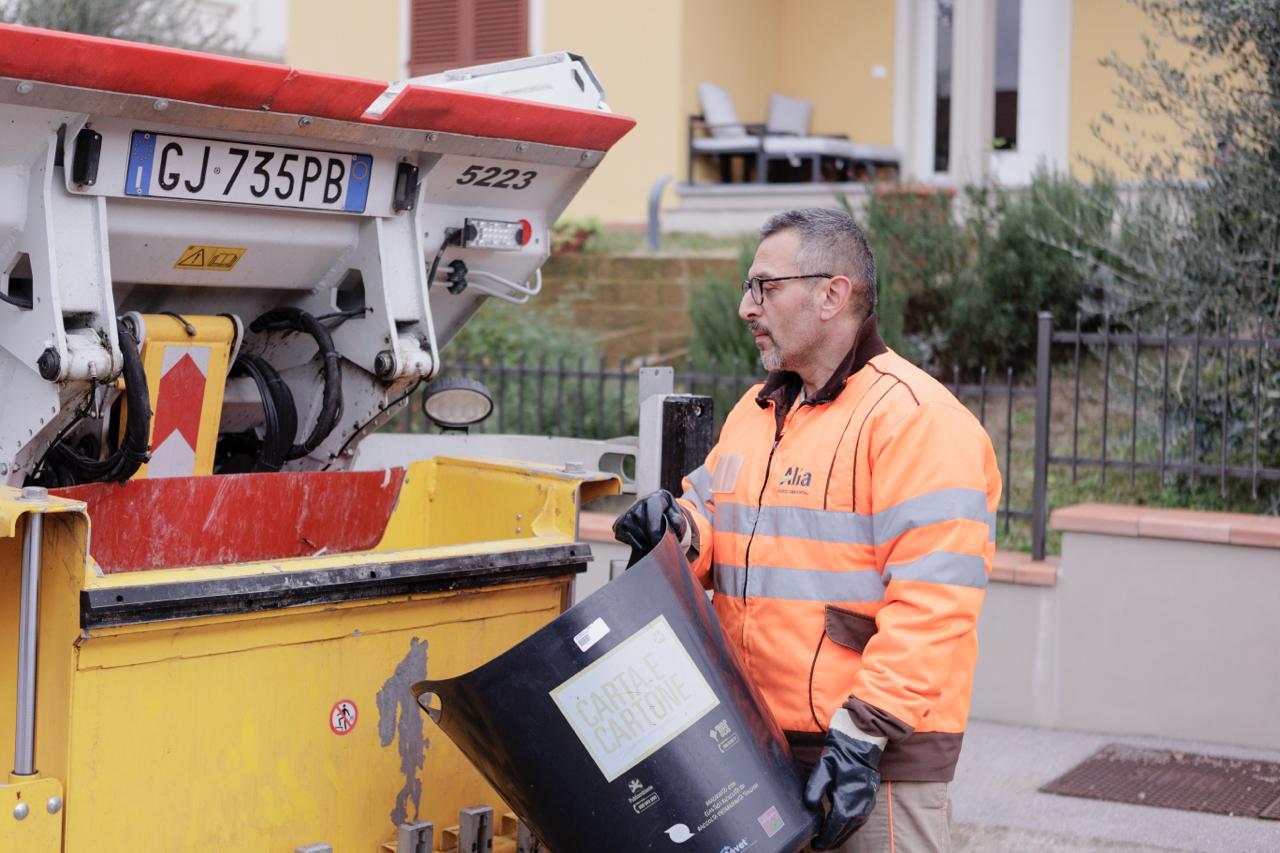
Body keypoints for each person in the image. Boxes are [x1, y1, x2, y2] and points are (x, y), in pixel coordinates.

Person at [614, 208, 1001, 853]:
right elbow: (713, 524)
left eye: (764, 286)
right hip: (756, 745)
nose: (745, 306)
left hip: (874, 758)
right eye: (748, 286)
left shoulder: (917, 421)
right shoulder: (758, 410)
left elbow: (936, 604)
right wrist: (677, 530)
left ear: (832, 294)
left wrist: (861, 736)